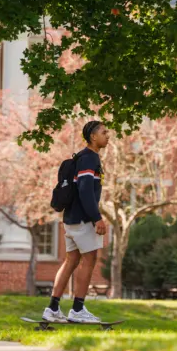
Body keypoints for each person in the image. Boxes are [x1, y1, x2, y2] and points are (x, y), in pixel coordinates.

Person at [42, 120, 109, 323]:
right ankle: (78, 309)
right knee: (89, 260)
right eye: (104, 132)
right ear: (93, 137)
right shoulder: (89, 159)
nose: (108, 135)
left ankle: (53, 308)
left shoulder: (81, 157)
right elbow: (85, 190)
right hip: (82, 220)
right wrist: (97, 218)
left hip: (70, 219)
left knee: (71, 261)